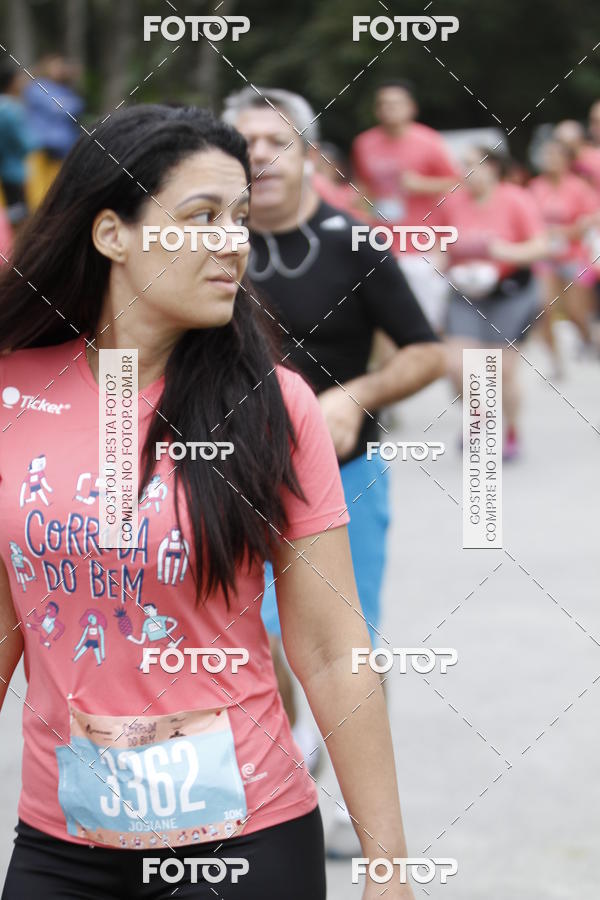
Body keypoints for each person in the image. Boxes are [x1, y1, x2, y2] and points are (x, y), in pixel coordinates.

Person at [0, 104, 415, 900]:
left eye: (240, 218)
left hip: (242, 846)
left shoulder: (274, 406)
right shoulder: (16, 391)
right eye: (202, 216)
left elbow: (332, 650)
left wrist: (387, 867)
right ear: (111, 232)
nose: (233, 241)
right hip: (60, 848)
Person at [223, 86, 444, 855]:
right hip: (231, 474)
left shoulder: (355, 245)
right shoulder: (217, 246)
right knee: (252, 635)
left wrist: (359, 394)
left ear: (309, 154)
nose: (260, 156)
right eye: (243, 142)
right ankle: (279, 772)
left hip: (344, 476)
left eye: (274, 140)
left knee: (346, 641)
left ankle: (353, 802)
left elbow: (428, 350)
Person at [437, 147, 547, 460]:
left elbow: (540, 246)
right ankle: (479, 419)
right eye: (464, 164)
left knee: (500, 373)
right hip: (465, 293)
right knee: (457, 366)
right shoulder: (453, 201)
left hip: (510, 291)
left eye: (474, 164)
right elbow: (441, 244)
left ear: (493, 167)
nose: (468, 171)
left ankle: (510, 429)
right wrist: (440, 263)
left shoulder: (516, 199)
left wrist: (504, 252)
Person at [351, 78, 459, 330]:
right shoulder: (364, 143)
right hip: (383, 242)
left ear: (412, 108)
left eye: (397, 103)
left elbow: (458, 185)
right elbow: (362, 188)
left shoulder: (429, 141)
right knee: (386, 319)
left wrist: (423, 185)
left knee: (429, 319)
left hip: (424, 242)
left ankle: (436, 367)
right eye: (384, 104)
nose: (390, 109)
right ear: (377, 110)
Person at [529, 138, 599, 374]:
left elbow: (589, 221)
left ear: (567, 160)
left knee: (575, 311)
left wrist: (565, 232)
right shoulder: (536, 187)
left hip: (574, 256)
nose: (551, 161)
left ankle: (589, 339)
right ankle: (555, 361)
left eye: (556, 156)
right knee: (544, 308)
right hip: (545, 257)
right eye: (547, 156)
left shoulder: (578, 187)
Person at [24, 55, 84, 209]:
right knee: (38, 194)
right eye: (54, 66)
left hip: (63, 149)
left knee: (59, 189)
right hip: (42, 147)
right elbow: (59, 109)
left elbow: (77, 106)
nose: (58, 70)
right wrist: (64, 105)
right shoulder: (37, 87)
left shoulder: (66, 90)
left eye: (61, 66)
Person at [0, 62, 36, 227]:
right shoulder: (11, 109)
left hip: (6, 167)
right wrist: (38, 142)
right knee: (19, 215)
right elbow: (24, 143)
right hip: (15, 170)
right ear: (12, 82)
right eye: (20, 79)